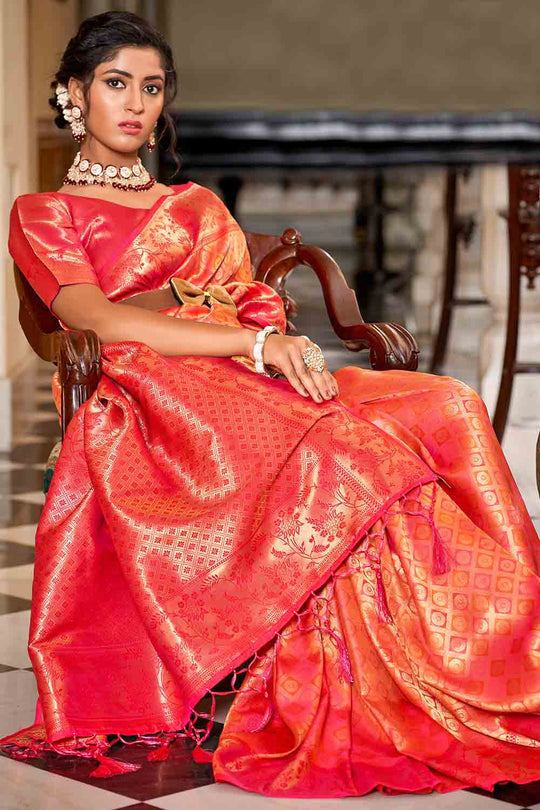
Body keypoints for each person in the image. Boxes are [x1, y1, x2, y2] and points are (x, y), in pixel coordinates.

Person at [1, 9, 539, 799]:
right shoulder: (45, 214)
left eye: (151, 88)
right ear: (74, 94)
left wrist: (265, 343)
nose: (136, 103)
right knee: (353, 455)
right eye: (116, 83)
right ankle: (400, 684)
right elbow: (97, 319)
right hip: (153, 395)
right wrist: (249, 346)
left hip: (252, 375)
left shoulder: (197, 206)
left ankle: (509, 656)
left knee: (448, 405)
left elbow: (252, 306)